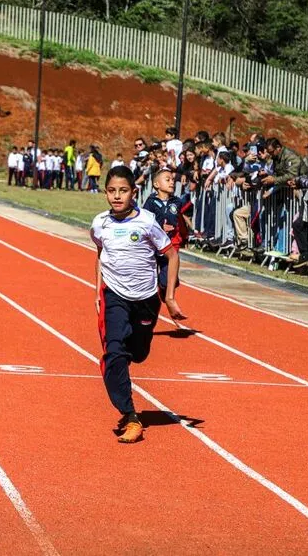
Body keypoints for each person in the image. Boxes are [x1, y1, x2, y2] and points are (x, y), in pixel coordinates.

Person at [92, 165, 185, 444]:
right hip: (115, 296)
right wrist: (98, 292)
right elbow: (100, 255)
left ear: (134, 192)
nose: (117, 196)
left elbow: (171, 255)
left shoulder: (146, 221)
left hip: (146, 299)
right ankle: (131, 415)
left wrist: (168, 297)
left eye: (123, 191)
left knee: (139, 353)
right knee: (115, 352)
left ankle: (121, 361)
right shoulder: (100, 224)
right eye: (111, 191)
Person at [142, 168, 189, 306]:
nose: (171, 182)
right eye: (167, 180)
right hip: (153, 244)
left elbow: (180, 220)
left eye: (173, 180)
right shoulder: (151, 202)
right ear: (157, 184)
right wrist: (159, 228)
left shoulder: (177, 202)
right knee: (148, 274)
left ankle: (165, 286)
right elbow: (145, 221)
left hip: (171, 243)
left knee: (166, 279)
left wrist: (185, 237)